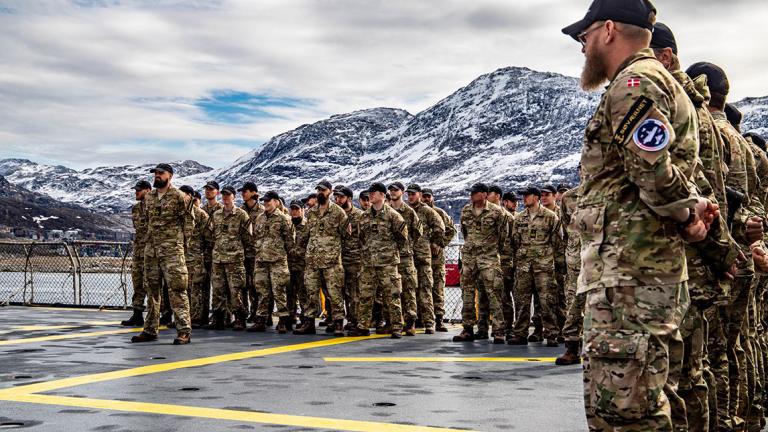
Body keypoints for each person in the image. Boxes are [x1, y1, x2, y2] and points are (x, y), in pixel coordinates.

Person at [562, 1, 719, 429]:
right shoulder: (655, 82)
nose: (583, 47)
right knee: (654, 399)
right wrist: (690, 209)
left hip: (629, 276)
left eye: (585, 36)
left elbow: (651, 168)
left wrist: (686, 215)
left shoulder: (633, 83)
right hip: (644, 273)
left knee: (626, 413)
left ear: (608, 29)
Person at [131, 163, 195, 345]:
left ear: (170, 176)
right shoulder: (149, 197)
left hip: (172, 251)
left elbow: (189, 222)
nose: (157, 176)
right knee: (152, 291)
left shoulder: (179, 197)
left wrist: (182, 245)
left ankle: (184, 330)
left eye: (161, 173)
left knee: (177, 290)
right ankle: (150, 329)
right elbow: (146, 222)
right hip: (152, 251)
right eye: (155, 174)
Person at [350, 182, 408, 338]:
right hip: (368, 263)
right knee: (365, 296)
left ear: (382, 195)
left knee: (392, 296)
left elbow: (403, 238)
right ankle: (363, 326)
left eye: (374, 192)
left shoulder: (393, 215)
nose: (371, 195)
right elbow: (360, 238)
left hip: (387, 263)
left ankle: (396, 327)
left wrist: (390, 253)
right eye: (370, 192)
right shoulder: (364, 216)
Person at [453, 183, 507, 344]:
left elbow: (503, 236)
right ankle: (467, 328)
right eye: (471, 193)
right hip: (470, 258)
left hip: (488, 258)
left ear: (484, 194)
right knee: (467, 294)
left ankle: (498, 331)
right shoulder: (466, 211)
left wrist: (494, 251)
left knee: (494, 294)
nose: (472, 195)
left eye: (475, 193)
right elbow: (465, 232)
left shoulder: (497, 212)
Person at [507, 186, 561, 347]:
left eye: (527, 196)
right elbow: (514, 241)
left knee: (547, 301)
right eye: (523, 196)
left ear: (536, 198)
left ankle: (551, 334)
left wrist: (556, 264)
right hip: (523, 266)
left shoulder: (550, 217)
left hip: (544, 266)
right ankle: (520, 333)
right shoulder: (520, 218)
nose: (524, 199)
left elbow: (557, 242)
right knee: (522, 301)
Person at [293, 180, 348, 336]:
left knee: (334, 293)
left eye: (323, 190)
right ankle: (309, 322)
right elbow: (304, 236)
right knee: (311, 292)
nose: (320, 193)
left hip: (331, 262)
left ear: (330, 191)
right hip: (312, 261)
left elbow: (346, 236)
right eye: (318, 190)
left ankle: (338, 323)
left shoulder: (338, 212)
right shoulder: (311, 213)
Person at [206, 186, 251, 331]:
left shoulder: (241, 215)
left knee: (236, 291)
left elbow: (248, 238)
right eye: (224, 195)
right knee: (218, 290)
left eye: (228, 195)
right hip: (218, 258)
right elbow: (212, 235)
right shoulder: (216, 215)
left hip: (235, 259)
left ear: (234, 197)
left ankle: (239, 318)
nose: (225, 198)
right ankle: (219, 319)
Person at [248, 191, 294, 333]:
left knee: (279, 291)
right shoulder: (260, 218)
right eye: (264, 201)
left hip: (277, 261)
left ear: (276, 202)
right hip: (261, 261)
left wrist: (280, 254)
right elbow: (255, 236)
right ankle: (261, 319)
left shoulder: (283, 219)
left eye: (269, 200)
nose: (266, 203)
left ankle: (283, 320)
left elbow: (290, 241)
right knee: (262, 291)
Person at [406, 184, 445, 334]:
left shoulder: (428, 211)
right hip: (409, 256)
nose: (410, 197)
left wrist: (436, 243)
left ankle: (430, 322)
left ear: (420, 195)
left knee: (426, 289)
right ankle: (413, 321)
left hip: (423, 256)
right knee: (410, 290)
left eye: (413, 194)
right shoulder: (406, 211)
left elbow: (441, 228)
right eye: (408, 194)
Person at [388, 181, 422, 336]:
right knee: (393, 291)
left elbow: (417, 231)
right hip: (390, 257)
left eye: (396, 190)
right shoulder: (386, 210)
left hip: (405, 256)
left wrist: (407, 244)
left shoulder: (408, 212)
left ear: (401, 192)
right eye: (391, 190)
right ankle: (395, 321)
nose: (393, 192)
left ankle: (410, 322)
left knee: (409, 290)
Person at [422, 188, 457, 332]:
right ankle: (422, 319)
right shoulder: (416, 213)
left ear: (432, 197)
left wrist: (439, 243)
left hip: (436, 259)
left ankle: (439, 320)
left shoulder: (440, 213)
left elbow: (451, 230)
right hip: (421, 258)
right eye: (423, 196)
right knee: (422, 289)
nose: (425, 199)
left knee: (437, 289)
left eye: (428, 196)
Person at [178, 185, 210, 329]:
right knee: (181, 289)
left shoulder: (201, 215)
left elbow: (209, 238)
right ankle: (183, 318)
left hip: (196, 258)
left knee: (196, 289)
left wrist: (203, 255)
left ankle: (197, 318)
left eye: (184, 195)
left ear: (190, 196)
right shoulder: (177, 213)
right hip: (181, 258)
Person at [121, 179, 152, 327]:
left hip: (152, 251)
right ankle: (137, 314)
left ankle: (156, 316)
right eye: (135, 190)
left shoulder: (155, 206)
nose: (136, 192)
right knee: (137, 283)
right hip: (139, 251)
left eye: (139, 190)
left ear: (148, 190)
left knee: (152, 285)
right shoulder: (136, 209)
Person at [334, 185, 364, 330]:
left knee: (353, 292)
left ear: (349, 199)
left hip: (353, 259)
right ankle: (338, 319)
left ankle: (355, 319)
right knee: (338, 291)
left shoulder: (359, 215)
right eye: (336, 197)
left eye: (341, 197)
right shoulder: (334, 214)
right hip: (336, 258)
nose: (338, 200)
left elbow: (365, 237)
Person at [238, 182, 264, 323]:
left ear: (254, 193)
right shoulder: (240, 211)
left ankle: (258, 312)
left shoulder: (262, 211)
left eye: (245, 191)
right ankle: (244, 312)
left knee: (256, 285)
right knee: (243, 284)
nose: (243, 194)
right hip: (242, 253)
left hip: (257, 254)